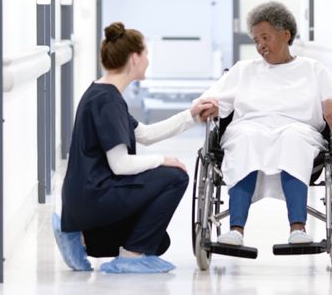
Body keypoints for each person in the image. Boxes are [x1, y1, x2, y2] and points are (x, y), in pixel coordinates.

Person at [52, 22, 217, 273]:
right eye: (146, 54)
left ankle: (82, 238)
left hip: (86, 197)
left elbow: (146, 134)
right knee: (175, 177)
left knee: (159, 242)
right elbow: (120, 165)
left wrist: (191, 116)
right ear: (135, 58)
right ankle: (130, 256)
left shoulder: (103, 93)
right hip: (95, 196)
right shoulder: (107, 101)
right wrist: (163, 160)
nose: (148, 60)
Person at [196, 1, 332, 246]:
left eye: (266, 37)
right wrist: (209, 107)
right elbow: (206, 102)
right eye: (256, 40)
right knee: (245, 137)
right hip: (249, 129)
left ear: (286, 35)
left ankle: (298, 229)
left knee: (292, 138)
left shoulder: (312, 70)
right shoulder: (243, 70)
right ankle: (236, 230)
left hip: (299, 132)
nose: (260, 46)